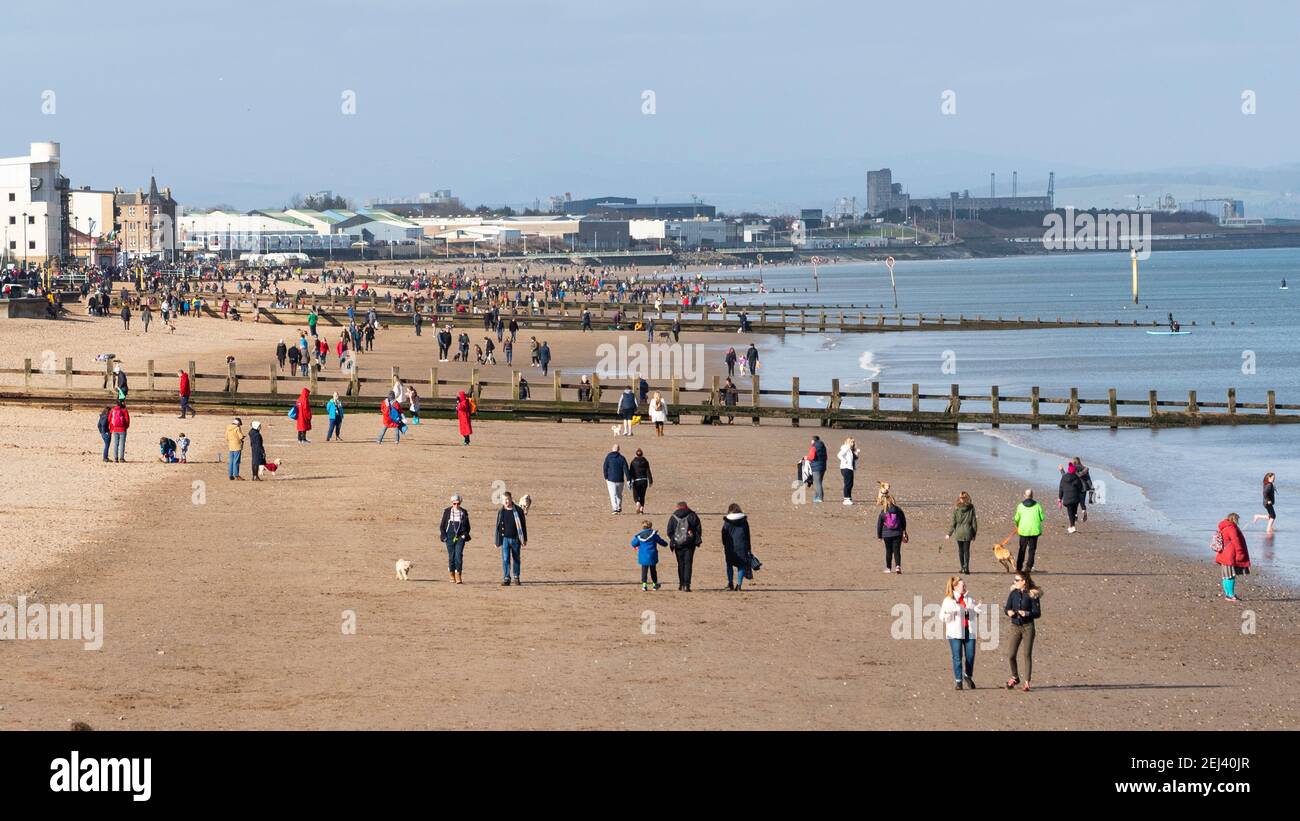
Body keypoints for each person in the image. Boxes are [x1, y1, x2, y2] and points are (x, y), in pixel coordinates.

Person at [941, 577, 986, 690]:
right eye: (962, 585)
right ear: (955, 587)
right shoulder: (948, 600)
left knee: (970, 656)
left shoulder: (969, 599)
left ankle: (968, 676)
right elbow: (942, 617)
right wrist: (951, 613)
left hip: (969, 630)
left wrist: (977, 609)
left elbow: (974, 613)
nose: (965, 587)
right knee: (957, 657)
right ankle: (958, 681)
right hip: (954, 633)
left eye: (964, 585)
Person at [1004, 571, 1042, 691]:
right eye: (1014, 580)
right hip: (1015, 626)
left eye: (1016, 580)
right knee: (1011, 655)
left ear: (1023, 582)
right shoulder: (1013, 593)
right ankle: (1015, 677)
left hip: (1028, 627)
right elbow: (1007, 608)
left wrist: (1027, 613)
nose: (1014, 582)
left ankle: (1027, 682)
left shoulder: (1032, 595)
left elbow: (1037, 613)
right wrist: (1008, 612)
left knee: (1027, 654)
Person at [666, 501, 702, 592]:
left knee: (680, 564)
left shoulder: (673, 516)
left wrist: (675, 538)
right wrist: (693, 537)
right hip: (690, 544)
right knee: (688, 564)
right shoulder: (692, 515)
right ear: (686, 507)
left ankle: (681, 584)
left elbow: (669, 531)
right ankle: (687, 585)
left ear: (677, 507)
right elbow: (698, 529)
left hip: (678, 544)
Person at [1215, 513, 1251, 601]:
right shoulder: (1232, 528)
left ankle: (1228, 594)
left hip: (1223, 555)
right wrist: (1240, 554)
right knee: (1231, 576)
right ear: (1235, 519)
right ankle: (1230, 595)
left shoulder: (1223, 528)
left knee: (1225, 576)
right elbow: (1237, 542)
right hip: (1229, 556)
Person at [495, 492, 527, 587]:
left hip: (516, 539)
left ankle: (516, 577)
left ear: (511, 499)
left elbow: (523, 526)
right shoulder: (501, 511)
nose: (506, 501)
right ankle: (506, 578)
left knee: (516, 558)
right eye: (504, 500)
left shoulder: (518, 510)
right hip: (505, 539)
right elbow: (498, 527)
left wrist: (524, 539)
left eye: (507, 499)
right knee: (505, 559)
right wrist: (497, 540)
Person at [439, 494, 471, 584]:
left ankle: (458, 575)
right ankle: (451, 574)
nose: (456, 505)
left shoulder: (463, 512)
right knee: (451, 557)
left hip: (460, 536)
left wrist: (464, 535)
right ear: (452, 503)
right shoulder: (447, 511)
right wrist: (444, 536)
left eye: (458, 503)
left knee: (459, 556)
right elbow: (442, 526)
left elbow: (468, 527)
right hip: (449, 536)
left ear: (460, 503)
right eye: (454, 503)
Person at [721, 503, 753, 591]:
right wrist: (749, 548)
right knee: (741, 565)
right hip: (742, 545)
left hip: (730, 546)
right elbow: (747, 535)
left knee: (729, 564)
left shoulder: (727, 522)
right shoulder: (744, 521)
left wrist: (724, 544)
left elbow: (724, 534)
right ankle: (739, 585)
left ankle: (730, 583)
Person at [945, 492, 979, 574]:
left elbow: (953, 523)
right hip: (968, 532)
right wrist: (974, 534)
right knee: (966, 550)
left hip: (959, 532)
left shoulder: (956, 508)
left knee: (960, 550)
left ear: (960, 498)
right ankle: (966, 568)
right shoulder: (971, 508)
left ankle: (962, 567)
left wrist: (949, 534)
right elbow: (974, 522)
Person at [1013, 489, 1045, 572]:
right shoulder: (1037, 505)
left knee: (1022, 549)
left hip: (1023, 530)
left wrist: (1017, 525)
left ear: (1025, 496)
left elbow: (1016, 518)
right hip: (1034, 531)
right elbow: (1042, 517)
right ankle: (1028, 567)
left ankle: (1019, 567)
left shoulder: (1020, 506)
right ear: (1032, 496)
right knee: (1032, 550)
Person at [631, 520, 667, 591]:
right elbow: (662, 543)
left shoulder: (639, 535)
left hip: (643, 556)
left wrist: (639, 544)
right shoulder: (654, 535)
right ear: (650, 526)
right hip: (652, 555)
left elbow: (633, 543)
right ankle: (654, 585)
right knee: (653, 570)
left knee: (644, 570)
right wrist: (665, 543)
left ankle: (644, 585)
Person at [876, 493, 908, 573]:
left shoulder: (883, 512)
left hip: (886, 535)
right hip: (897, 533)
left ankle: (888, 568)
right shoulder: (899, 510)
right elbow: (903, 521)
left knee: (888, 551)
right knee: (897, 550)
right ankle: (898, 566)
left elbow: (879, 525)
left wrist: (879, 536)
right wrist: (904, 531)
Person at [603, 443, 632, 514]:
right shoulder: (622, 458)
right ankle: (618, 507)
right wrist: (628, 479)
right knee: (619, 494)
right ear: (619, 450)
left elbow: (605, 467)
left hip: (611, 479)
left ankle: (615, 508)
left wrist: (606, 477)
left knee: (613, 494)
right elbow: (626, 469)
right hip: (620, 479)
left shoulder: (608, 457)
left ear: (612, 449)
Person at [1058, 462, 1084, 533]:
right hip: (1075, 499)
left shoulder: (1064, 477)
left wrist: (1060, 498)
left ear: (1069, 470)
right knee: (1074, 510)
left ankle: (1072, 526)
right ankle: (1073, 522)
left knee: (1070, 512)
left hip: (1067, 499)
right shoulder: (1077, 478)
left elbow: (1061, 488)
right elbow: (1081, 488)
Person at [629, 448, 653, 515]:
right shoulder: (645, 461)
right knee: (642, 495)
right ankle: (641, 510)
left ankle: (637, 503)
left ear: (636, 454)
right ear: (642, 454)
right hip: (644, 480)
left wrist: (630, 480)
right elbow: (648, 471)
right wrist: (650, 481)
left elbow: (631, 472)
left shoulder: (633, 462)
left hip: (636, 480)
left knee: (635, 495)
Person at [837, 437, 860, 505]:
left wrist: (857, 453)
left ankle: (849, 498)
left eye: (853, 442)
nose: (852, 443)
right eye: (851, 442)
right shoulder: (846, 447)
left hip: (850, 468)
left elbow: (855, 459)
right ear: (847, 442)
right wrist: (845, 461)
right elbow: (839, 455)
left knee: (850, 484)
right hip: (845, 468)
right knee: (848, 484)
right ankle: (846, 499)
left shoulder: (850, 449)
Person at [806, 435, 828, 503]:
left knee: (817, 483)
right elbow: (826, 457)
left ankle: (820, 497)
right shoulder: (823, 447)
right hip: (823, 466)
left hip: (816, 467)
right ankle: (816, 496)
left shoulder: (814, 447)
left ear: (813, 440)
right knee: (819, 482)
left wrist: (806, 458)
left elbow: (811, 457)